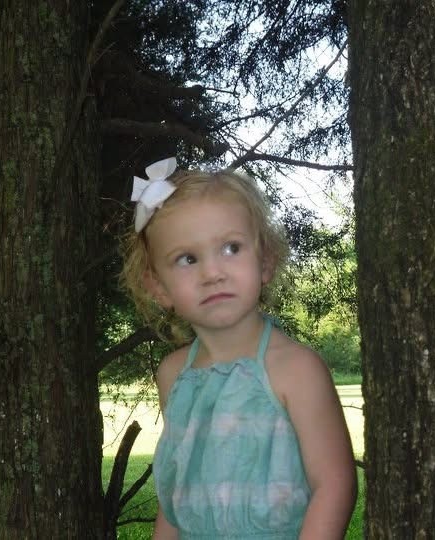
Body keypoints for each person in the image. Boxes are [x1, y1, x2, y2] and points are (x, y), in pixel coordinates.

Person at [121, 157, 357, 539]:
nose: (212, 273)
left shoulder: (296, 370)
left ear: (265, 261)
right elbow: (178, 494)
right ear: (159, 287)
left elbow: (334, 486)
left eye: (231, 248)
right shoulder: (174, 376)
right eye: (187, 259)